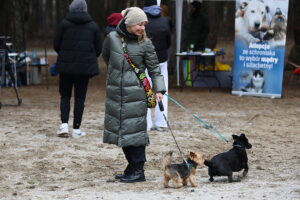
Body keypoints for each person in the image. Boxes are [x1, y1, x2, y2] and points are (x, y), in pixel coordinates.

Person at [102, 7, 166, 183]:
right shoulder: (112, 38)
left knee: (135, 132)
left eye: (145, 24)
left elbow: (154, 69)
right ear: (129, 23)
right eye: (140, 24)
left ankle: (138, 170)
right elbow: (106, 57)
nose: (143, 28)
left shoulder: (145, 44)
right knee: (121, 131)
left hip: (136, 94)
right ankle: (131, 167)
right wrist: (117, 76)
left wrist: (159, 89)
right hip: (116, 93)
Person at [54, 0, 102, 138]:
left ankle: (63, 125)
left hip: (66, 67)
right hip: (84, 67)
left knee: (65, 95)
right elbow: (98, 48)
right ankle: (76, 129)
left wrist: (65, 54)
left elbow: (56, 44)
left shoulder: (64, 24)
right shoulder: (93, 26)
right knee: (80, 98)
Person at [143, 0, 171, 132]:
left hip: (146, 62)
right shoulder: (165, 21)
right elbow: (168, 42)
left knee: (145, 90)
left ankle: (146, 123)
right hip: (161, 61)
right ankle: (161, 122)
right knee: (162, 90)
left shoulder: (141, 21)